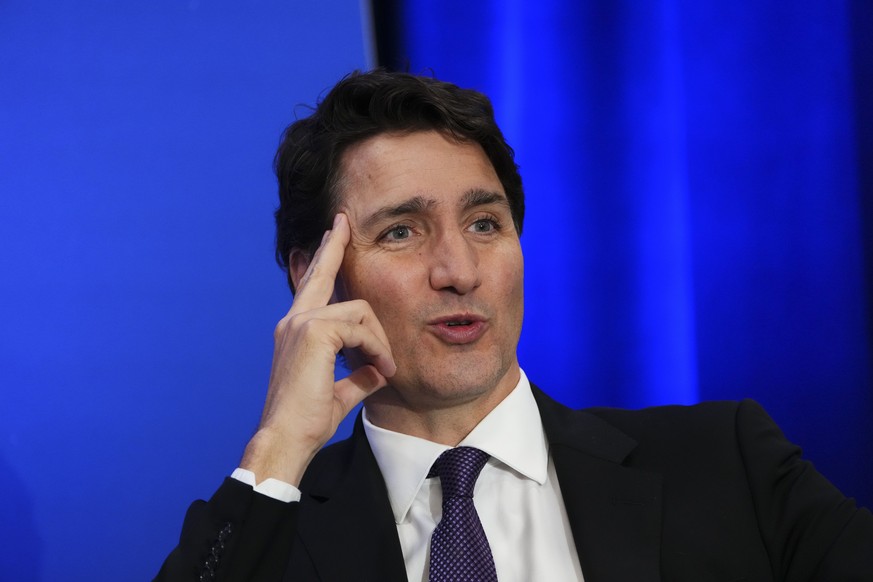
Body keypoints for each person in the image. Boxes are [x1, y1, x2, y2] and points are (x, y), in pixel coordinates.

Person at [156, 70, 873, 581]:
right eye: (402, 232)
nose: (458, 269)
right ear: (312, 275)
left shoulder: (726, 466)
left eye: (484, 223)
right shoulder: (269, 534)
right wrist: (280, 447)